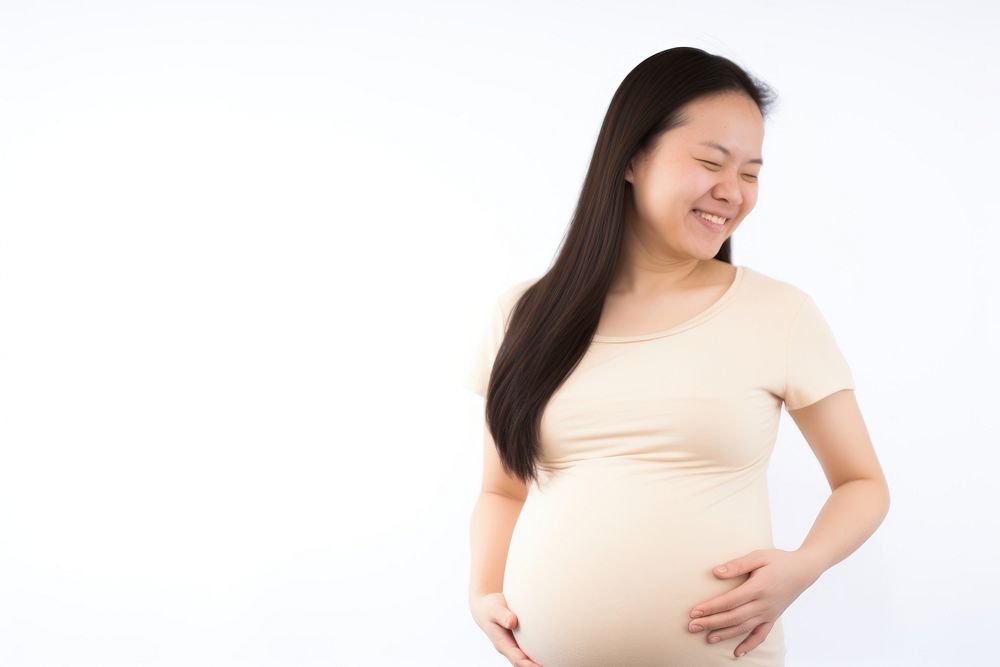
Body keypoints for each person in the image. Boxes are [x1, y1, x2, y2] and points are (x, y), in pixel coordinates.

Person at [465, 46, 890, 667]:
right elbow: (502, 490)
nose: (732, 192)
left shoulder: (777, 313)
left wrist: (804, 566)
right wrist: (483, 593)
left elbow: (862, 483)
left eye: (750, 173)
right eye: (710, 162)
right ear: (633, 156)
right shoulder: (525, 314)